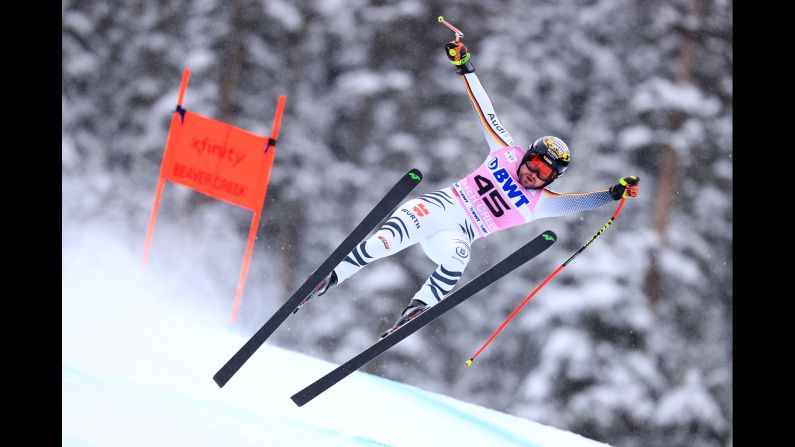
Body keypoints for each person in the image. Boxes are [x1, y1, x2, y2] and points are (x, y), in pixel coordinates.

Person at [294, 38, 639, 338]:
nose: (534, 175)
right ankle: (328, 280)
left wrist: (612, 194)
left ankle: (414, 312)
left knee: (459, 257)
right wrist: (465, 67)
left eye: (544, 175)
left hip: (459, 234)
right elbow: (485, 111)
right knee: (386, 242)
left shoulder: (540, 203)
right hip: (438, 209)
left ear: (552, 181)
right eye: (533, 165)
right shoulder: (505, 152)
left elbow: (576, 203)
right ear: (527, 156)